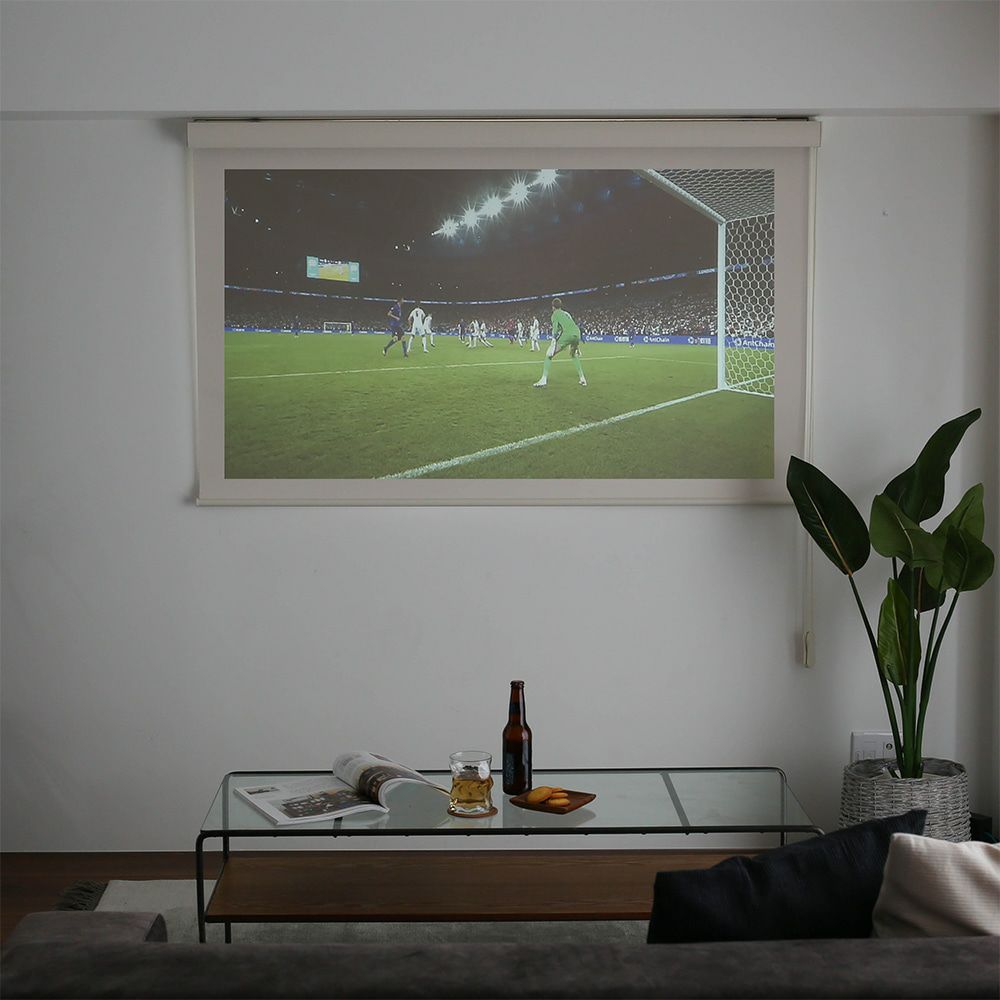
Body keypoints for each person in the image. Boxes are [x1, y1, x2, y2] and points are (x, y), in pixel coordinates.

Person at [533, 298, 586, 387]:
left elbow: (555, 329)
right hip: (577, 333)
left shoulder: (555, 314)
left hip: (567, 335)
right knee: (573, 355)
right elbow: (572, 325)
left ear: (553, 307)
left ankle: (543, 380)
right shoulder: (566, 313)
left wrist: (553, 340)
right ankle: (582, 378)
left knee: (549, 355)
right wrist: (577, 346)